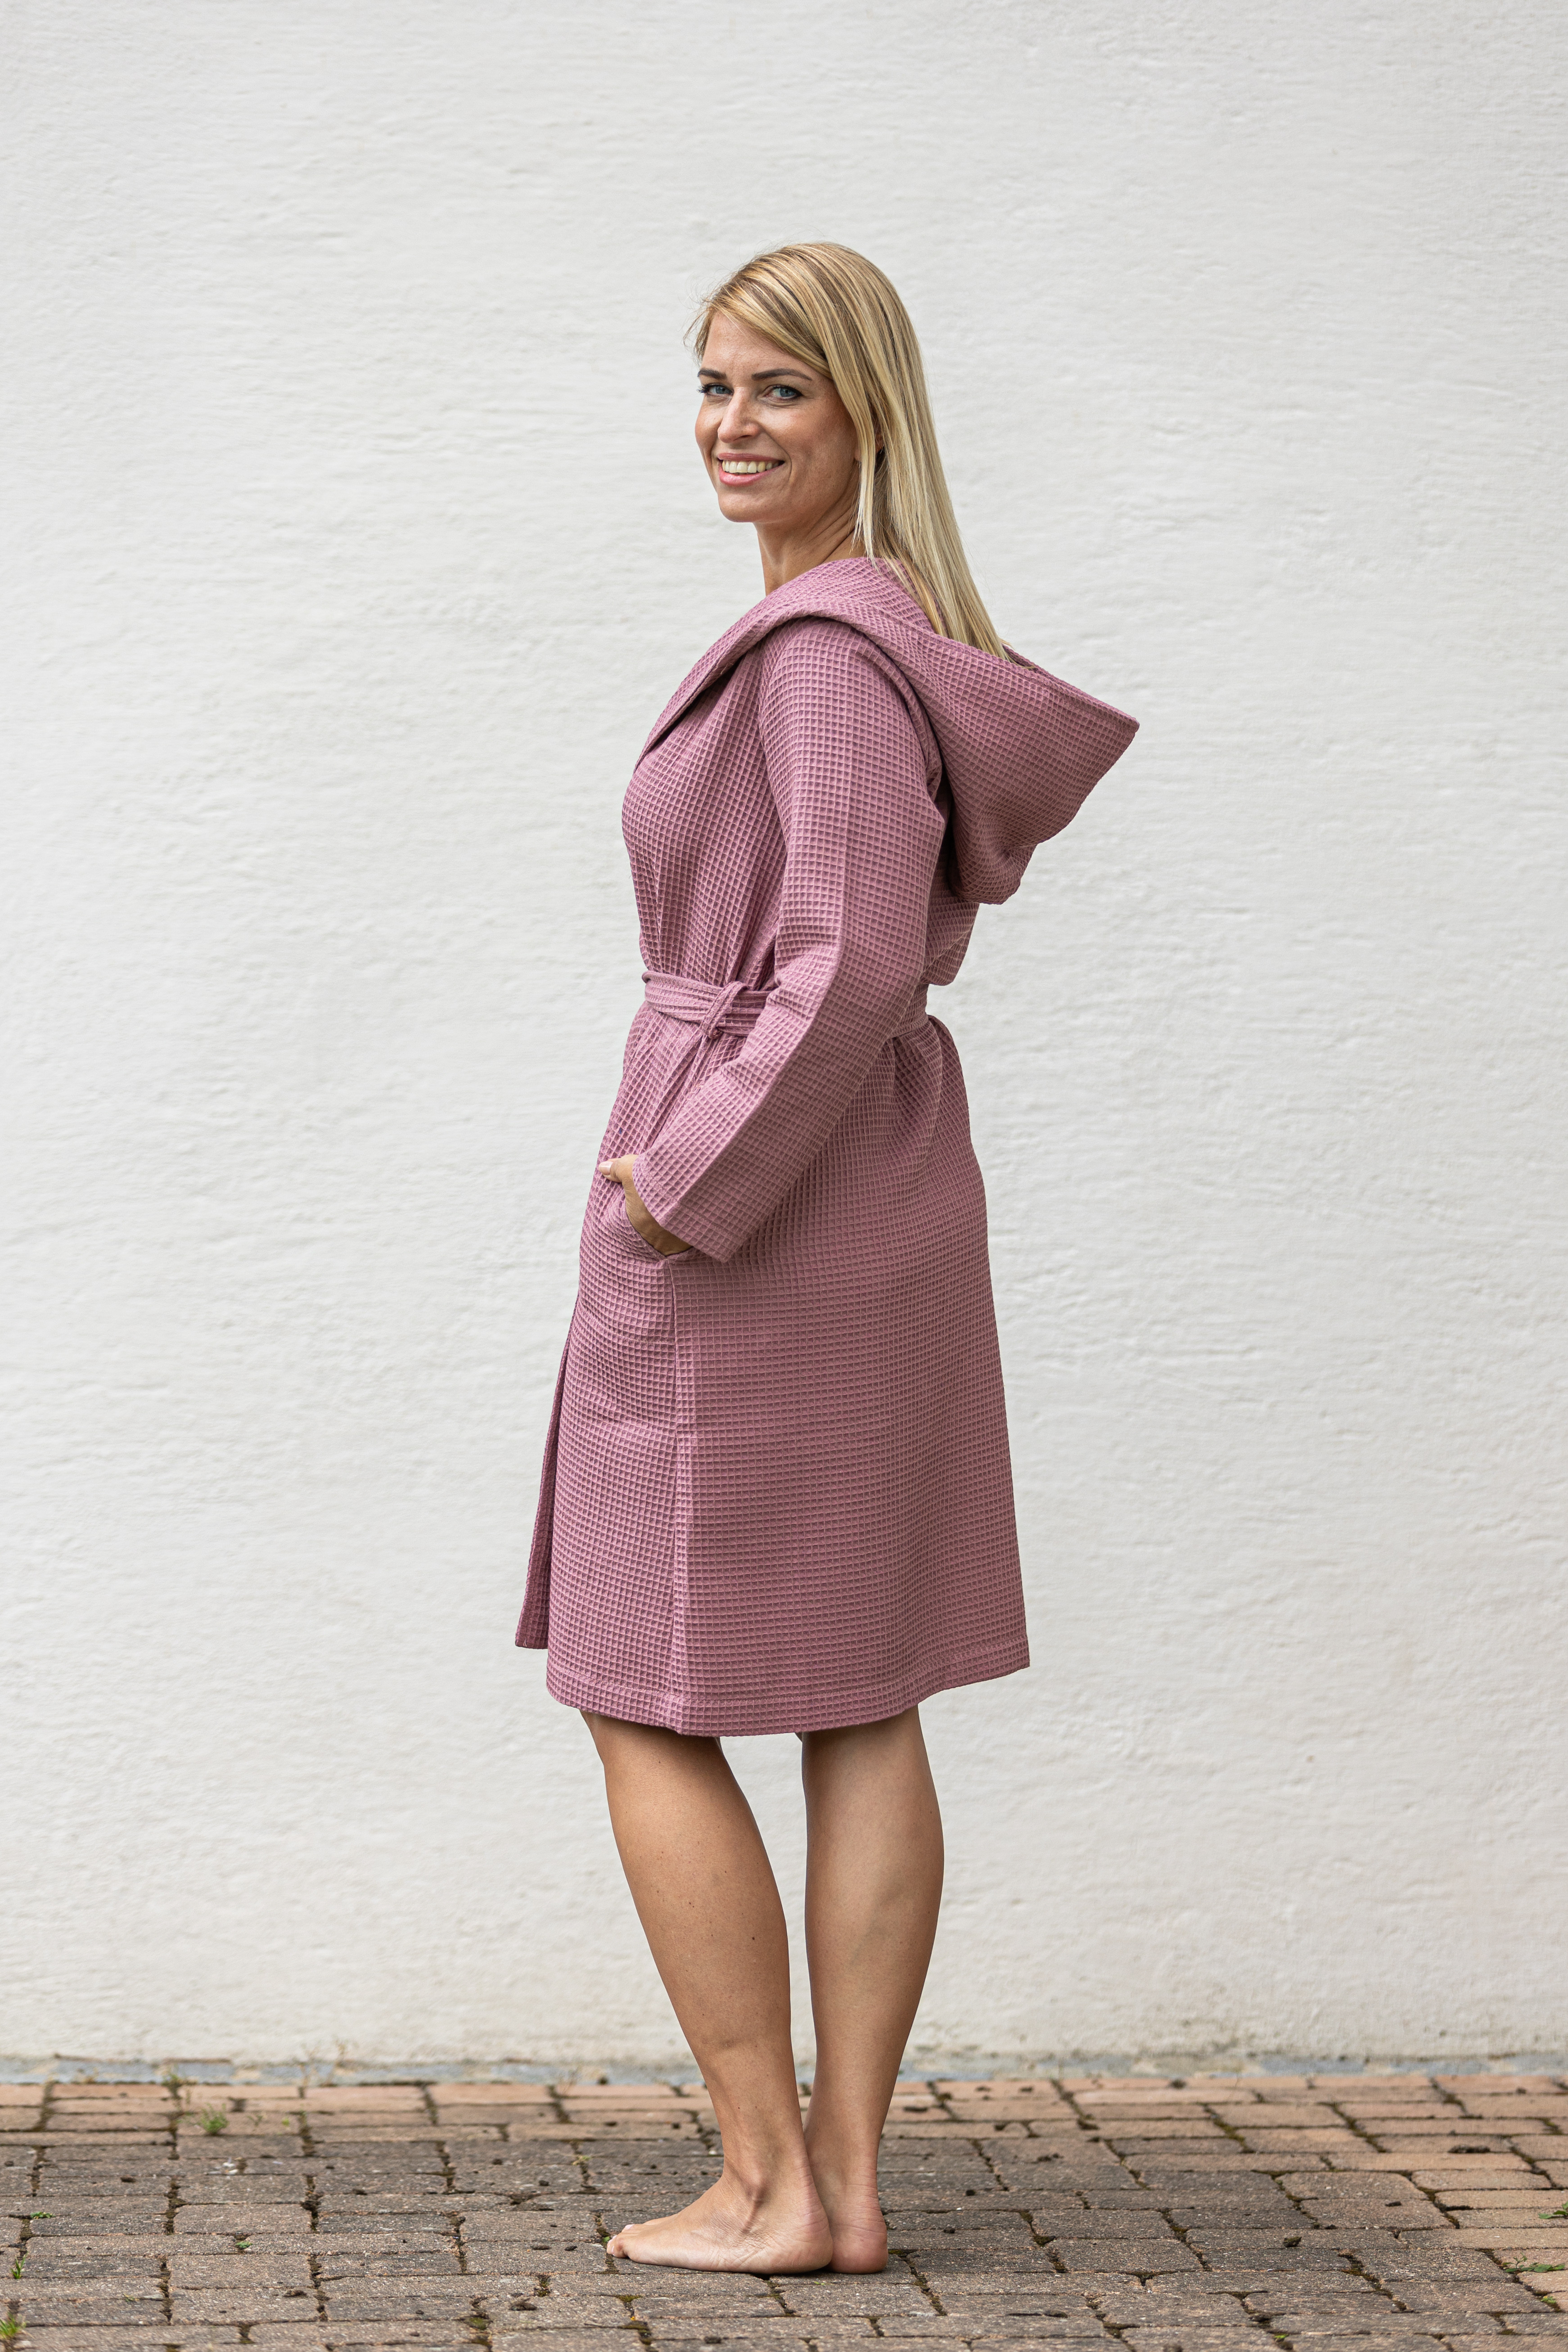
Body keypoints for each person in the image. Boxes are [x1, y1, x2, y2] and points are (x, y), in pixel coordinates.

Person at [517, 242, 1136, 2276]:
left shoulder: (818, 659)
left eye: (779, 387)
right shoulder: (864, 645)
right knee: (859, 1695)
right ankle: (838, 2189)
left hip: (757, 1204)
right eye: (711, 384)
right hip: (860, 1192)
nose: (732, 424)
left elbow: (852, 958)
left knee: (642, 1686)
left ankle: (773, 2179)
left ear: (870, 412)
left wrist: (681, 1183)